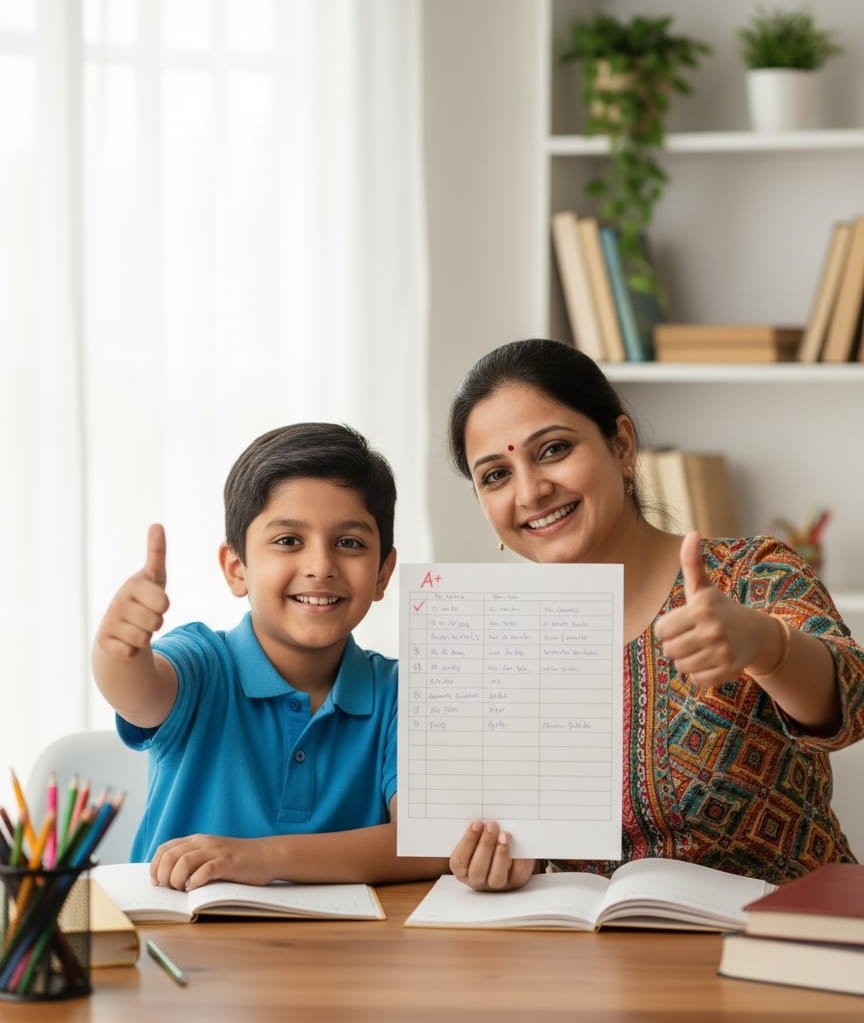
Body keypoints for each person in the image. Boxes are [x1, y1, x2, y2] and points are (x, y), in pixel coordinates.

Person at [446, 338, 864, 891]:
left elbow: (853, 702)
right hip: (595, 961)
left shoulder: (749, 572)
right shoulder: (491, 645)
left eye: (552, 450)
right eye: (495, 475)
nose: (531, 490)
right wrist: (500, 863)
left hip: (776, 945)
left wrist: (765, 646)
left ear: (621, 445)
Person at [93, 422, 447, 890]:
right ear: (236, 568)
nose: (321, 566)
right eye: (288, 541)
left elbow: (425, 843)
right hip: (177, 947)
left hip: (349, 957)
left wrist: (262, 857)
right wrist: (118, 648)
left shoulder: (405, 691)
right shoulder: (202, 662)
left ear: (383, 573)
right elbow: (138, 692)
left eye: (349, 543)